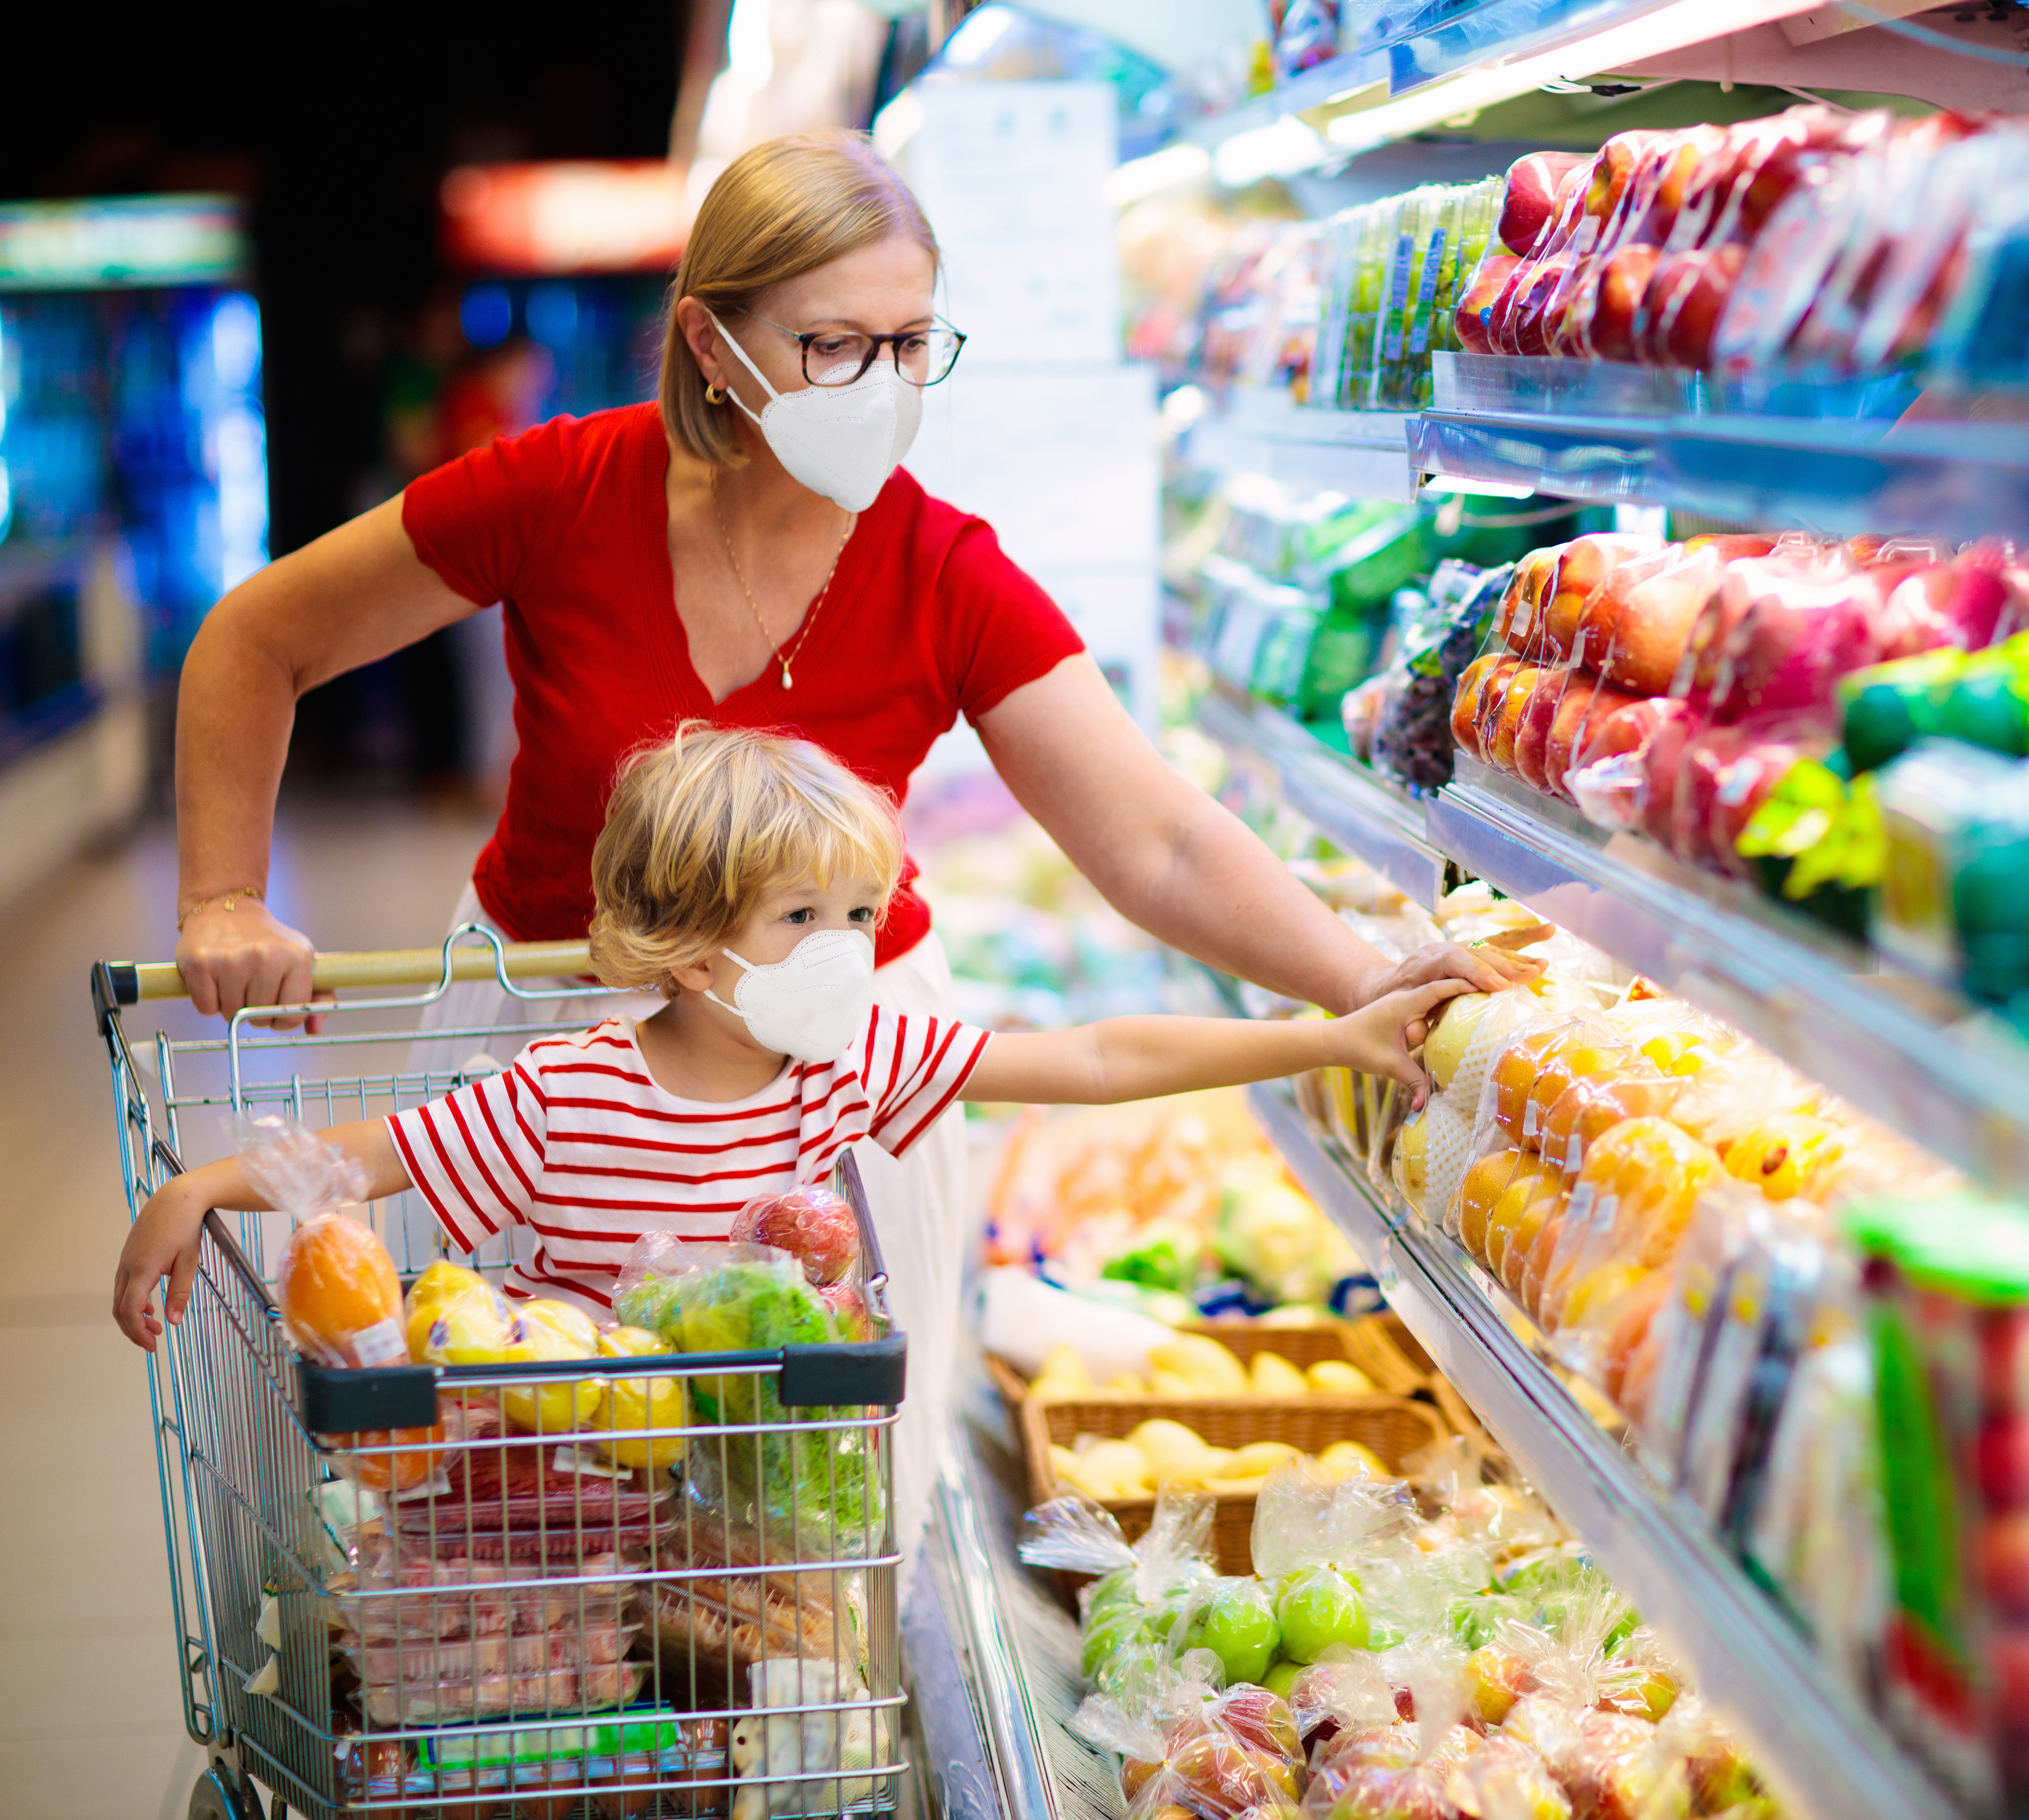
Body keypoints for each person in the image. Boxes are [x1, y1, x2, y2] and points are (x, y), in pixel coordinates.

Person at [164, 132, 1531, 1236]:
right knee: (523, 1455)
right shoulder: (560, 490)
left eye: (908, 342)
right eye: (833, 345)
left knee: (800, 1507)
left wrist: (1367, 977)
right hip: (544, 1034)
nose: (881, 385)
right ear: (710, 344)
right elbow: (257, 639)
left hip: (832, 1052)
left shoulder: (940, 567)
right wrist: (225, 893)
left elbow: (1156, 837)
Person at [113, 724, 1465, 1348]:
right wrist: (200, 1185)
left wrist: (1330, 1036)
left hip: (774, 1501)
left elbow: (1099, 1059)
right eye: (802, 915)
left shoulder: (853, 1058)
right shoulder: (563, 1093)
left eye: (864, 912)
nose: (848, 948)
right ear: (691, 950)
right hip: (578, 1496)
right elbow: (374, 1156)